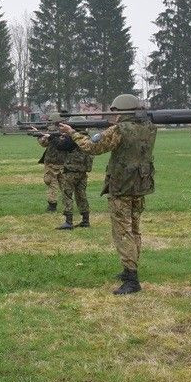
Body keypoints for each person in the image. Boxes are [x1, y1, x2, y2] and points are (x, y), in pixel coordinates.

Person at [58, 94, 156, 294]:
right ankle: (130, 268)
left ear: (122, 111)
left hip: (122, 187)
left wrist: (73, 133)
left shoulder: (119, 130)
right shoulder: (149, 127)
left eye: (116, 112)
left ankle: (131, 278)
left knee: (123, 232)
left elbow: (92, 147)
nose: (114, 116)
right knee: (134, 229)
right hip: (140, 184)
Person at [42, 131, 92, 230]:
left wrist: (51, 137)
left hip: (71, 171)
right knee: (81, 195)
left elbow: (61, 146)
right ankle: (85, 220)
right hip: (82, 171)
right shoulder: (87, 138)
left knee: (67, 195)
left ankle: (68, 222)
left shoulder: (73, 138)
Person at [36, 112, 68, 212]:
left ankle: (52, 206)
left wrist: (42, 137)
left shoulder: (55, 131)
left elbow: (43, 143)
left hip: (53, 162)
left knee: (52, 184)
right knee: (64, 185)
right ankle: (67, 205)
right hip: (62, 162)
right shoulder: (67, 130)